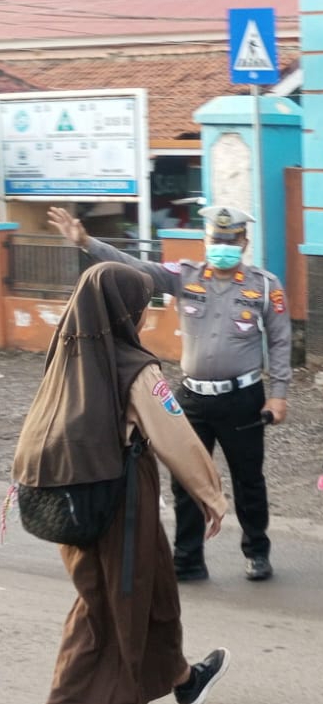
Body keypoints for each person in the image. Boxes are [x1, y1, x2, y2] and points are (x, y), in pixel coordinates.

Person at [12, 263, 231, 704]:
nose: (144, 315)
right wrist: (210, 494)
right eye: (140, 306)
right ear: (124, 311)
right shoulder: (134, 367)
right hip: (119, 502)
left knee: (152, 590)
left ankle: (184, 679)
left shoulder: (66, 355)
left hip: (68, 502)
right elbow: (174, 433)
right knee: (112, 608)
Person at [47, 204, 291, 583]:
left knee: (248, 480)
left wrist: (279, 394)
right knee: (184, 477)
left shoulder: (264, 285)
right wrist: (87, 243)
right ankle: (188, 558)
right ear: (206, 240)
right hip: (193, 398)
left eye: (230, 241)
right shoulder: (185, 276)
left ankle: (257, 552)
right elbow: (135, 267)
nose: (222, 247)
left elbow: (279, 339)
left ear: (244, 243)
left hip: (242, 398)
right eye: (216, 240)